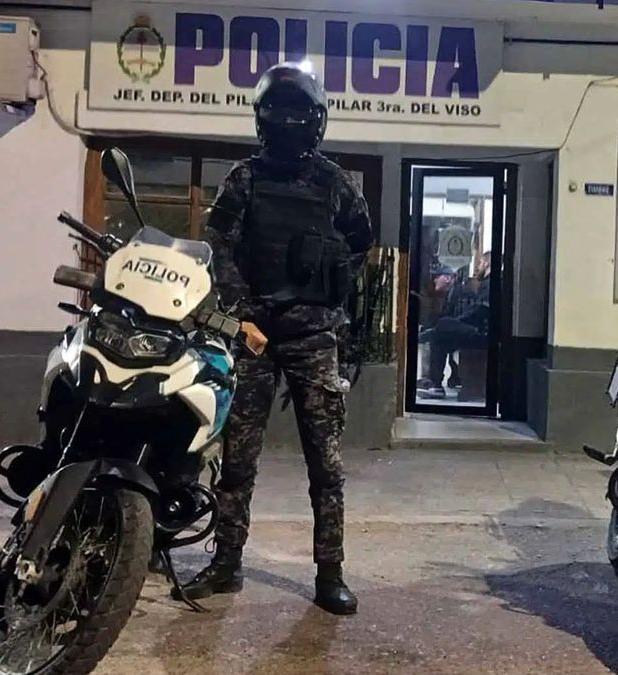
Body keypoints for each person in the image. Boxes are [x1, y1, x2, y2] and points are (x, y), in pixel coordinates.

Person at [178, 61, 373, 615]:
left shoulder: (335, 183)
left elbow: (360, 242)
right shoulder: (244, 178)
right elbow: (218, 246)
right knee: (237, 460)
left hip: (313, 336)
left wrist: (332, 288)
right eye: (279, 112)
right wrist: (242, 315)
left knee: (326, 467)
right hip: (255, 336)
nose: (288, 122)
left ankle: (330, 574)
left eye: (297, 113)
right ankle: (226, 565)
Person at [418, 256, 491, 399]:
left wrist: (456, 322)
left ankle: (421, 338)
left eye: (481, 263)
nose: (478, 267)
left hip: (483, 332)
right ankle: (435, 385)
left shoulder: (488, 284)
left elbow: (481, 311)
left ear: (487, 263)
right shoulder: (484, 284)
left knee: (443, 325)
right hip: (480, 330)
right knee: (439, 337)